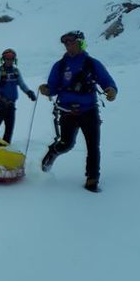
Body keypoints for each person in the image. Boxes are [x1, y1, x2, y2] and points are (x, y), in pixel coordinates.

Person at [39, 31, 117, 192]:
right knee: (67, 143)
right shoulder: (59, 66)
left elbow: (106, 80)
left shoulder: (92, 64)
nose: (68, 46)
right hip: (67, 111)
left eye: (71, 42)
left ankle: (92, 179)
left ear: (80, 43)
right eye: (66, 43)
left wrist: (111, 90)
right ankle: (53, 152)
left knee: (93, 146)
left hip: (89, 111)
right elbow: (52, 87)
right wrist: (47, 90)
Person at [0, 48, 36, 144]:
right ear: (3, 59)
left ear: (14, 60)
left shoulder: (16, 71)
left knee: (10, 126)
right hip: (1, 100)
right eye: (7, 58)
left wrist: (29, 92)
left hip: (11, 103)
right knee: (0, 117)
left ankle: (6, 145)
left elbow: (21, 84)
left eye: (11, 59)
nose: (9, 61)